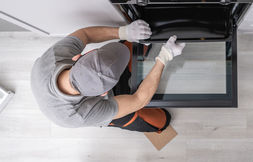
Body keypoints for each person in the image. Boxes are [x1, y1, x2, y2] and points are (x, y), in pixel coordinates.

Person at [31, 20, 185, 132]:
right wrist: (165, 56)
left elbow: (85, 34)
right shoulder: (80, 115)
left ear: (77, 57)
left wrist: (123, 32)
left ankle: (138, 50)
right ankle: (157, 123)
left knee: (135, 42)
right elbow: (139, 100)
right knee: (161, 120)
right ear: (103, 94)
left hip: (93, 90)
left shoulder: (52, 59)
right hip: (100, 111)